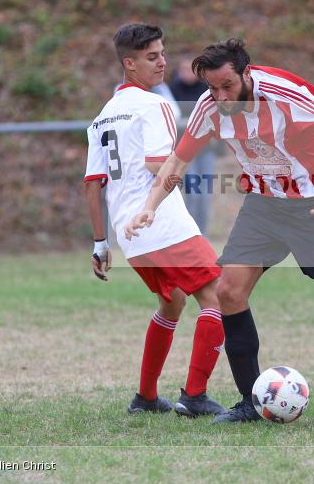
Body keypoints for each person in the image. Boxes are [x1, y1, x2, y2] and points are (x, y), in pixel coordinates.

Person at [125, 38, 314, 423]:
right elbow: (177, 160)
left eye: (227, 86)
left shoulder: (284, 92)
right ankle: (250, 401)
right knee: (228, 291)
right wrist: (149, 207)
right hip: (264, 205)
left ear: (246, 72)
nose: (220, 96)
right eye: (211, 87)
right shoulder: (210, 108)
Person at [84, 23, 226, 418]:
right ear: (128, 64)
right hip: (160, 221)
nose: (161, 62)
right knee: (219, 295)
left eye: (162, 53)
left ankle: (146, 397)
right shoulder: (156, 104)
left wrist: (100, 244)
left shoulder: (102, 117)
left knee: (171, 303)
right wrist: (186, 157)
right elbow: (155, 163)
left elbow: (92, 186)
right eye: (151, 57)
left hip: (129, 235)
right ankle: (195, 396)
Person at [168, 59, 215, 236]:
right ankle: (191, 233)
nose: (187, 73)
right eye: (183, 70)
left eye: (190, 70)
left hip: (206, 149)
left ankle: (202, 233)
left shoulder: (206, 89)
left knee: (205, 195)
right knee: (193, 194)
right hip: (185, 150)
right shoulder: (172, 90)